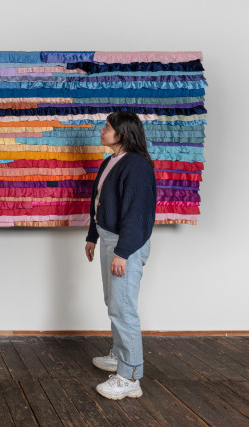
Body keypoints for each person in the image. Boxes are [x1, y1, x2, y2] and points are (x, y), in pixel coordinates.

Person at [84, 111, 157, 400]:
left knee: (123, 308)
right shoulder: (110, 162)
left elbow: (137, 214)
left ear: (122, 134)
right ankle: (120, 354)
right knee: (113, 302)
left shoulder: (136, 166)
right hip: (109, 239)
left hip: (126, 245)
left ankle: (130, 376)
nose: (101, 131)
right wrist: (92, 236)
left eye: (107, 127)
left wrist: (123, 252)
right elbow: (98, 202)